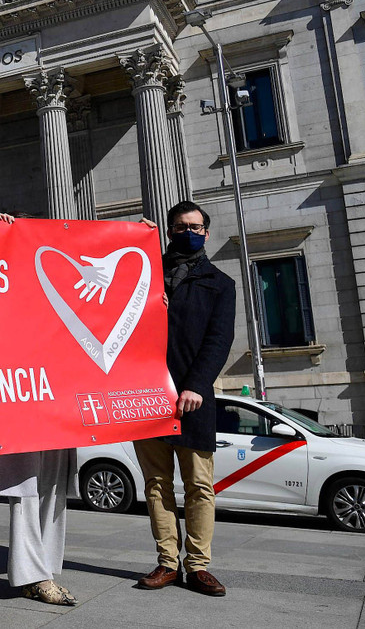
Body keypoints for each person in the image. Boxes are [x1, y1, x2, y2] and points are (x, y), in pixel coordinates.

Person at [0, 211, 83, 605]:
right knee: (26, 489)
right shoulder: (4, 286)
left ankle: (44, 568)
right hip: (22, 399)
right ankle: (32, 573)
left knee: (53, 486)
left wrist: (137, 240)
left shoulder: (64, 289)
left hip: (61, 399)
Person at [133, 201, 235, 597]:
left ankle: (198, 566)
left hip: (194, 397)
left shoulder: (220, 283)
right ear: (170, 231)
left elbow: (219, 340)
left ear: (206, 233)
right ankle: (166, 563)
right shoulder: (145, 272)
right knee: (156, 484)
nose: (187, 232)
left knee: (199, 485)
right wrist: (135, 241)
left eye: (194, 226)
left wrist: (196, 384)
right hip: (147, 394)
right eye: (179, 227)